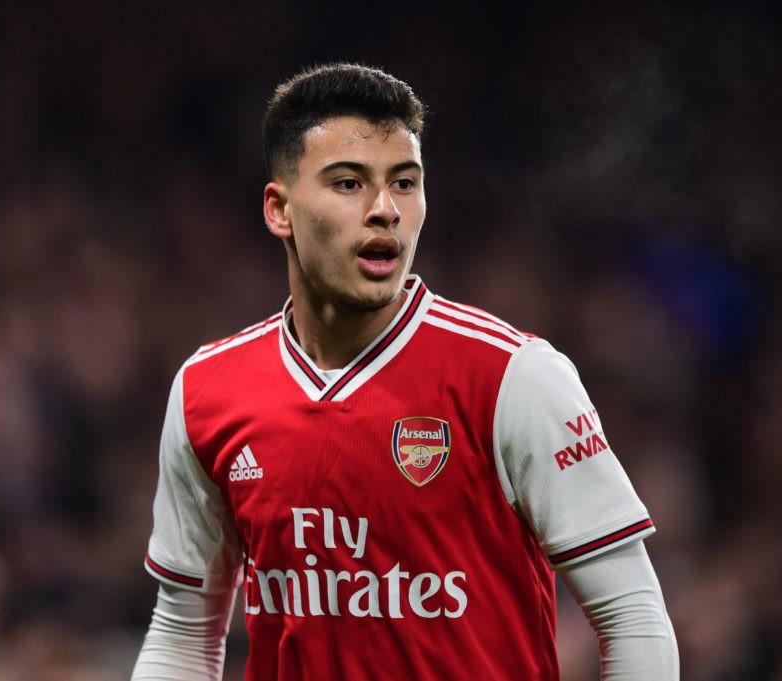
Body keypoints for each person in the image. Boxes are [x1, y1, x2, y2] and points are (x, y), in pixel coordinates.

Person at [131, 62, 679, 681]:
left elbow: (632, 615)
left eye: (405, 182)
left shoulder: (513, 378)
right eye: (348, 183)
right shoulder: (208, 391)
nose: (385, 209)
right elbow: (181, 632)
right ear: (279, 209)